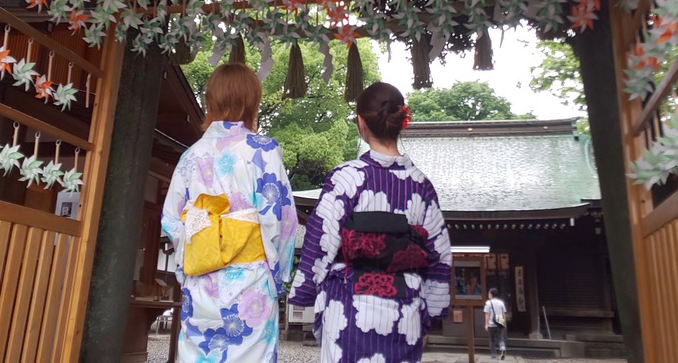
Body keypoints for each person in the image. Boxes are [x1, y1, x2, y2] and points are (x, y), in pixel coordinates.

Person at [289, 82, 453, 363]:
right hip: (405, 312)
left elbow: (321, 240)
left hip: (349, 309)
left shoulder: (347, 177)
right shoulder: (421, 185)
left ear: (361, 123)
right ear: (401, 121)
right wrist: (432, 312)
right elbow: (439, 256)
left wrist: (303, 294)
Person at [161, 63, 297, 362]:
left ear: (210, 101)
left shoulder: (191, 155)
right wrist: (277, 276)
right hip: (250, 286)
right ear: (253, 102)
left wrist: (189, 269)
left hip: (202, 283)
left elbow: (171, 221)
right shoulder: (263, 150)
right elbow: (282, 219)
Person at [484, 288, 508, 360]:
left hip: (491, 323)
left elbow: (487, 314)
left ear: (491, 294)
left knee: (492, 340)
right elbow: (504, 313)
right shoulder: (501, 302)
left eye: (489, 293)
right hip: (500, 322)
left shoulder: (488, 303)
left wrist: (486, 324)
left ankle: (494, 355)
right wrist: (504, 322)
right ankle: (502, 348)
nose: (488, 294)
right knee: (501, 338)